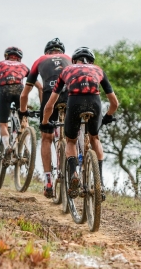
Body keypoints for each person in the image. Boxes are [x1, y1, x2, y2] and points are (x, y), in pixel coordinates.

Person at [41, 47, 119, 196]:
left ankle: (74, 174)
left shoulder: (67, 70)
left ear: (74, 60)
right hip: (94, 103)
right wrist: (108, 116)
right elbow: (114, 103)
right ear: (91, 61)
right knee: (95, 138)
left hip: (74, 102)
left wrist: (45, 122)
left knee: (71, 141)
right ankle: (100, 183)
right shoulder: (98, 70)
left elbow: (50, 104)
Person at [19, 38, 72, 197]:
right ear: (61, 52)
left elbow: (25, 93)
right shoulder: (69, 58)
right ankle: (75, 169)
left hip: (50, 96)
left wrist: (23, 112)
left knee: (46, 138)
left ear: (46, 52)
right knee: (71, 138)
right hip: (71, 96)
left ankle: (48, 179)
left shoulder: (40, 61)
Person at [0, 46, 42, 153]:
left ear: (6, 56)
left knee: (3, 124)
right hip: (20, 90)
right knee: (24, 120)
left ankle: (7, 146)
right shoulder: (24, 66)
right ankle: (27, 147)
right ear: (19, 58)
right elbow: (40, 86)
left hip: (4, 90)